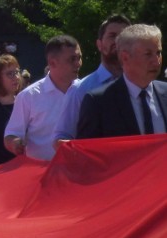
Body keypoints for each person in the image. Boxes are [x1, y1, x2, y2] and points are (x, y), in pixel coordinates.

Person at [78, 24, 167, 138]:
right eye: (148, 54)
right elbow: (88, 151)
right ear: (125, 57)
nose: (156, 62)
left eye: (158, 53)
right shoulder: (99, 102)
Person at [53, 15, 131, 145]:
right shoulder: (81, 90)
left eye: (124, 37)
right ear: (99, 45)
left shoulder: (143, 87)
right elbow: (61, 139)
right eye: (112, 35)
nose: (118, 41)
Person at [4, 35, 82, 161]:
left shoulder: (85, 92)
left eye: (79, 58)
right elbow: (11, 135)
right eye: (72, 59)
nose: (78, 64)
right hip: (40, 174)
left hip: (79, 172)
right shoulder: (28, 96)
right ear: (52, 63)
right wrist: (16, 144)